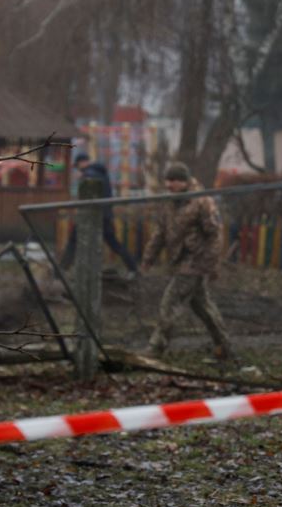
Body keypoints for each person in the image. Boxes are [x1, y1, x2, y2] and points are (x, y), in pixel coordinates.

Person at [142, 162, 231, 359]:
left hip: (195, 261)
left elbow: (215, 235)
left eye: (174, 180)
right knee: (203, 306)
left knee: (170, 302)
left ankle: (156, 347)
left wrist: (209, 264)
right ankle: (224, 345)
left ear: (185, 182)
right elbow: (160, 233)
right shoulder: (169, 203)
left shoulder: (201, 202)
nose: (169, 184)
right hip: (181, 261)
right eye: (168, 180)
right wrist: (149, 257)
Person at [59, 153, 138, 274]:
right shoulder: (101, 172)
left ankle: (61, 271)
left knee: (73, 241)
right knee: (113, 243)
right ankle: (133, 267)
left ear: (82, 162)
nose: (78, 169)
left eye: (78, 166)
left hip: (91, 215)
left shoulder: (90, 173)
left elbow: (91, 182)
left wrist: (83, 176)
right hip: (104, 214)